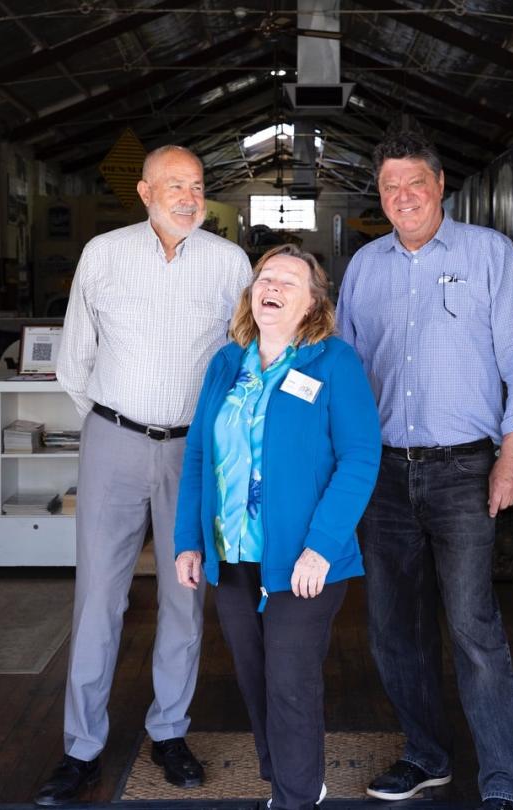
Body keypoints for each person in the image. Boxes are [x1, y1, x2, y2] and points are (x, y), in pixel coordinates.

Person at [337, 131, 513, 810]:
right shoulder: (364, 268)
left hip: (464, 470)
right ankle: (426, 755)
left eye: (414, 185)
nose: (403, 198)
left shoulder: (490, 255)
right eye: (390, 188)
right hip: (383, 476)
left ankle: (508, 783)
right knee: (394, 629)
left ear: (440, 185)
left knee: (474, 628)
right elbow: (342, 376)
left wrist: (512, 458)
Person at [34, 145, 251, 807]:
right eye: (174, 185)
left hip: (195, 453)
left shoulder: (228, 263)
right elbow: (74, 361)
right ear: (145, 191)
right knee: (99, 595)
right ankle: (81, 749)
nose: (188, 197)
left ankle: (170, 731)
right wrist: (115, 423)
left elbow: (246, 360)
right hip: (115, 441)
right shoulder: (103, 252)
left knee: (185, 594)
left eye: (197, 186)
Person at [173, 244, 381, 810]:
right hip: (233, 551)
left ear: (313, 303)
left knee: (290, 679)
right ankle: (288, 776)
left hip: (303, 558)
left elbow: (360, 459)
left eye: (290, 281)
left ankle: (294, 796)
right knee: (254, 675)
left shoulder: (333, 362)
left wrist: (320, 548)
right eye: (266, 277)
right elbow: (197, 456)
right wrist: (188, 541)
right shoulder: (226, 362)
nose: (273, 287)